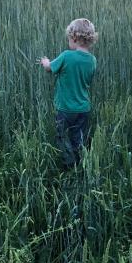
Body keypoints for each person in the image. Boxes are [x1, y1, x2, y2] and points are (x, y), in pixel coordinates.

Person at [40, 18, 98, 168]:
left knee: (62, 136)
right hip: (83, 109)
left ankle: (68, 165)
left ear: (74, 38)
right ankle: (80, 163)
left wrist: (45, 62)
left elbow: (49, 68)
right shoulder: (92, 60)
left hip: (65, 108)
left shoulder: (66, 56)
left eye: (68, 38)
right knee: (78, 137)